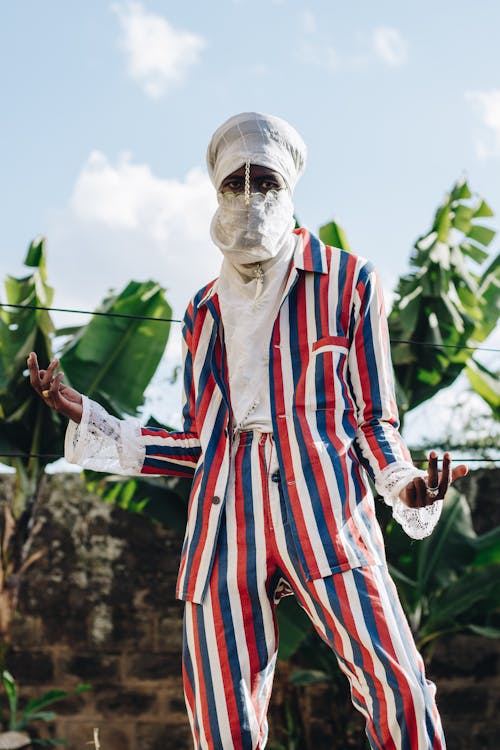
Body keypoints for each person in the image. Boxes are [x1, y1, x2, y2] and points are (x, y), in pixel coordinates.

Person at [28, 112, 467, 750]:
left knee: (396, 683)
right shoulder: (203, 310)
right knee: (220, 712)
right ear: (218, 193)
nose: (249, 193)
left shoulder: (348, 281)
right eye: (234, 182)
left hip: (325, 504)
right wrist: (87, 416)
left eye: (263, 179)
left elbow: (373, 418)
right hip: (225, 516)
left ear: (287, 187)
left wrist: (402, 484)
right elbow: (196, 446)